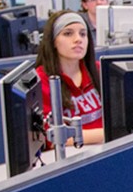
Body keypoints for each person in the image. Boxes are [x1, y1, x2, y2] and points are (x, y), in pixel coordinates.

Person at [35, 10, 106, 148]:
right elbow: (51, 138)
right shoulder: (41, 81)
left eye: (83, 34)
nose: (78, 39)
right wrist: (108, 133)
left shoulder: (98, 70)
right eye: (68, 33)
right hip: (69, 158)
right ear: (53, 41)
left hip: (106, 149)